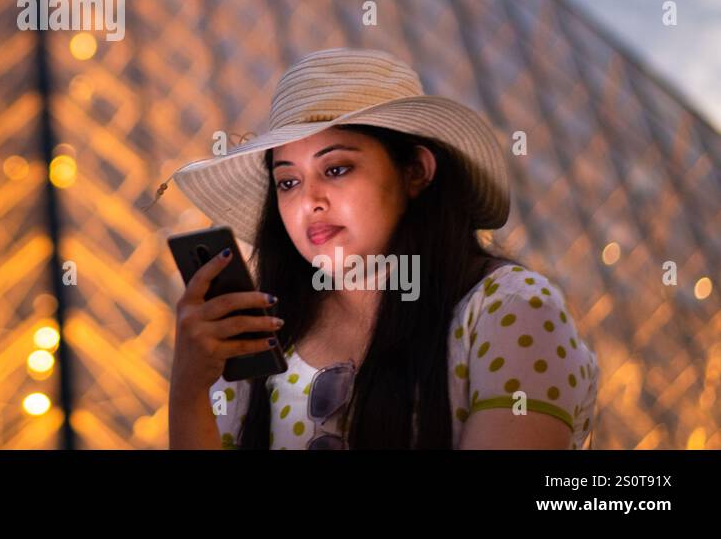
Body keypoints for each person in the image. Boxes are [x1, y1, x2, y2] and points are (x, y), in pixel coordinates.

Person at [162, 47, 599, 449]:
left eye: (336, 168)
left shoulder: (510, 310)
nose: (310, 200)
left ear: (416, 172)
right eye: (288, 181)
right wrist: (188, 391)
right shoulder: (255, 347)